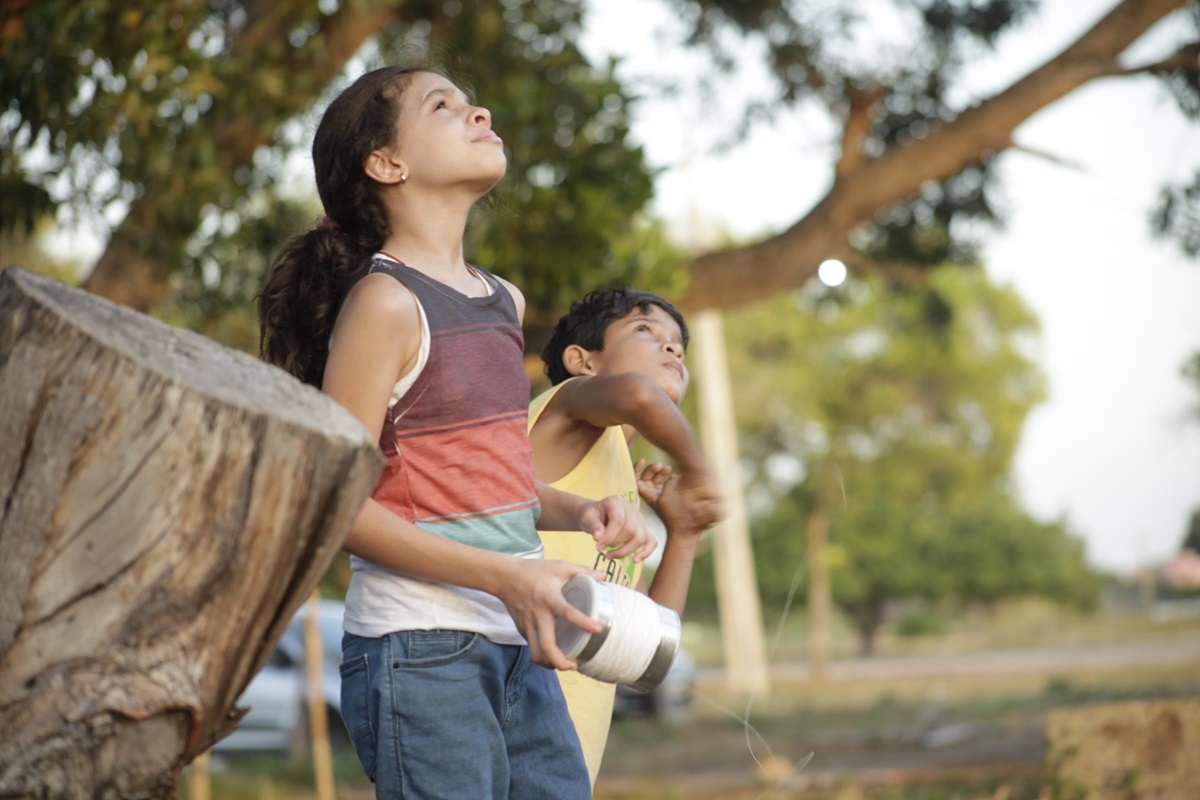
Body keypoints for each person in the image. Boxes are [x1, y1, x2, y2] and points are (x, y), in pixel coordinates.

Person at [256, 66, 657, 800]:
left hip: (521, 644)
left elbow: (489, 483)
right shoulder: (385, 303)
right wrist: (507, 578)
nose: (480, 111)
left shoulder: (503, 298)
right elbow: (338, 507)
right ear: (387, 164)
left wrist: (579, 512)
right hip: (420, 652)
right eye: (444, 106)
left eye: (472, 100)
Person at [528, 286, 724, 783]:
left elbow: (645, 647)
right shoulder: (566, 408)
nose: (673, 348)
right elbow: (638, 396)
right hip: (519, 714)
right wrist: (697, 471)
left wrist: (683, 532)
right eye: (645, 331)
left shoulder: (618, 473)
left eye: (679, 343)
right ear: (584, 361)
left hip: (569, 746)